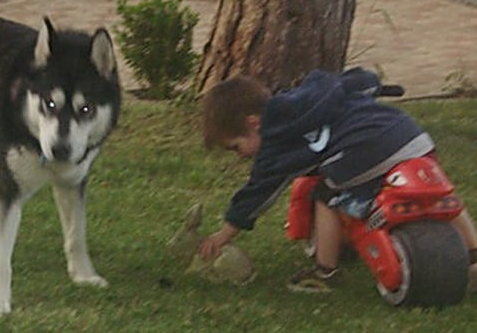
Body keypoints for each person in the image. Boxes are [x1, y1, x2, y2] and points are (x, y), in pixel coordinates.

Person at [198, 68, 477, 293]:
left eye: (236, 147)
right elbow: (357, 81)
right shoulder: (313, 92)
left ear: (253, 123)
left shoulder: (275, 142)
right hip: (410, 135)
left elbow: (257, 195)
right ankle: (474, 254)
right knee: (441, 194)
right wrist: (376, 87)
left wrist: (223, 234)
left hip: (364, 150)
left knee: (326, 196)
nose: (240, 156)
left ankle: (325, 272)